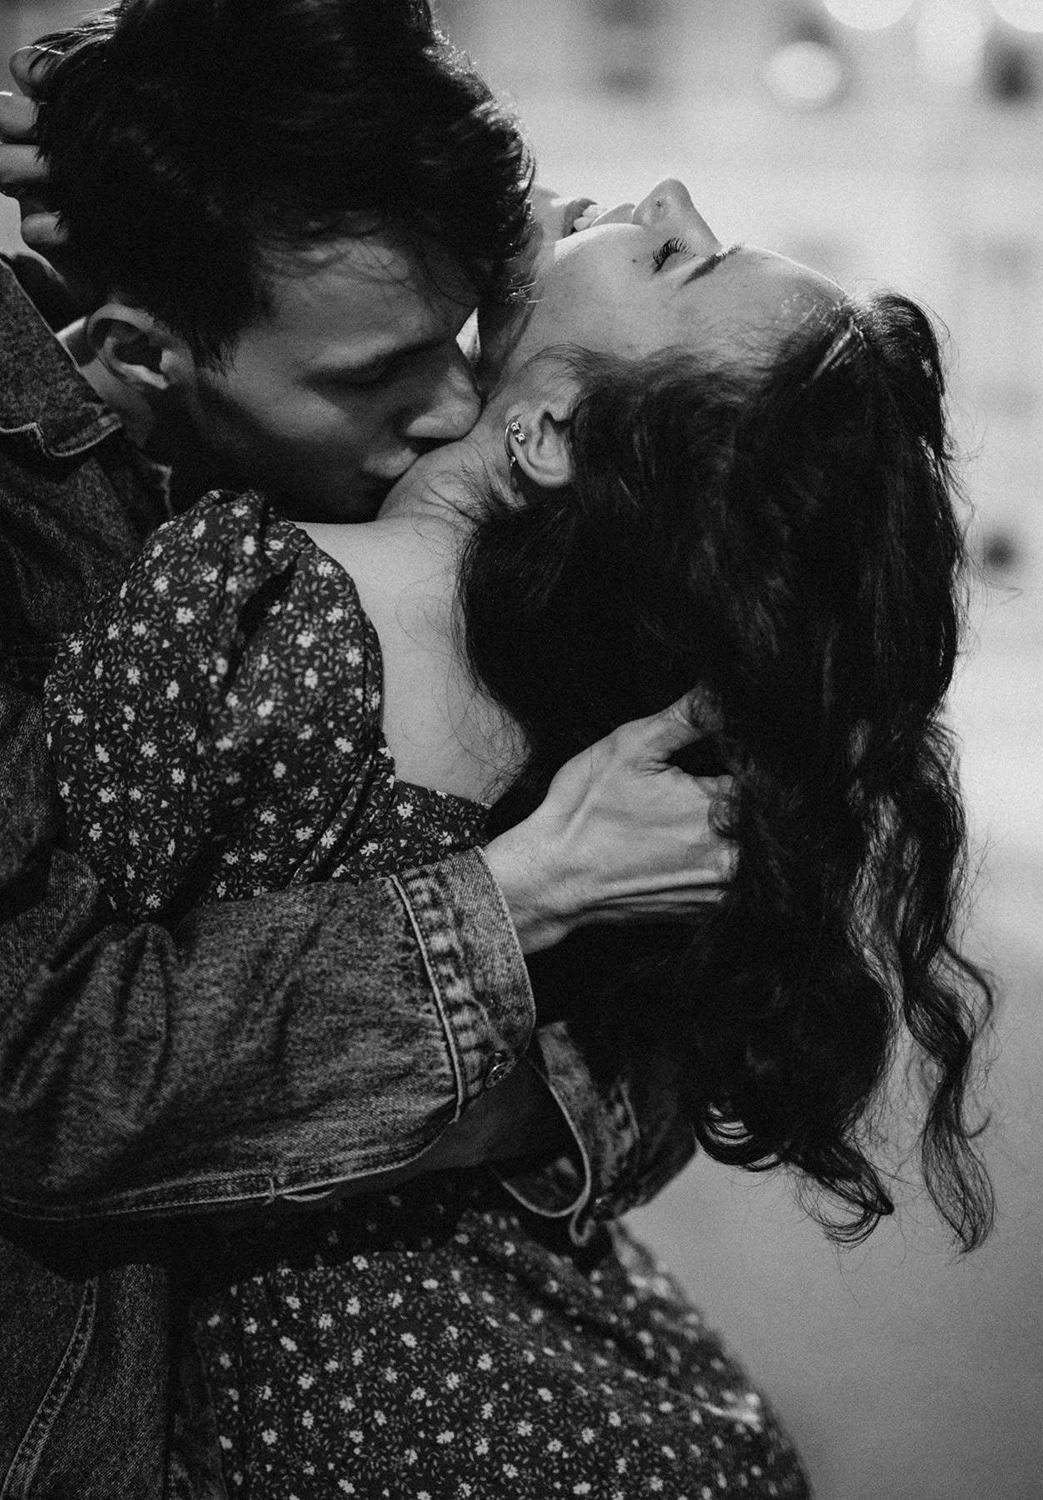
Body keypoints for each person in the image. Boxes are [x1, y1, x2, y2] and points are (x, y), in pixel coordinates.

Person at [36, 17, 993, 1493]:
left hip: (361, 1422)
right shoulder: (598, 674)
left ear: (545, 433)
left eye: (676, 261)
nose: (667, 197)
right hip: (599, 1384)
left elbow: (68, 951)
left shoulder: (261, 589)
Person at [0, 5, 733, 1496]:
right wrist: (521, 900)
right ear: (142, 352)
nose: (457, 404)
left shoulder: (435, 494)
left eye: (459, 334)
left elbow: (675, 1054)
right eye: (374, 370)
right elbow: (41, 1081)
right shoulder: (54, 535)